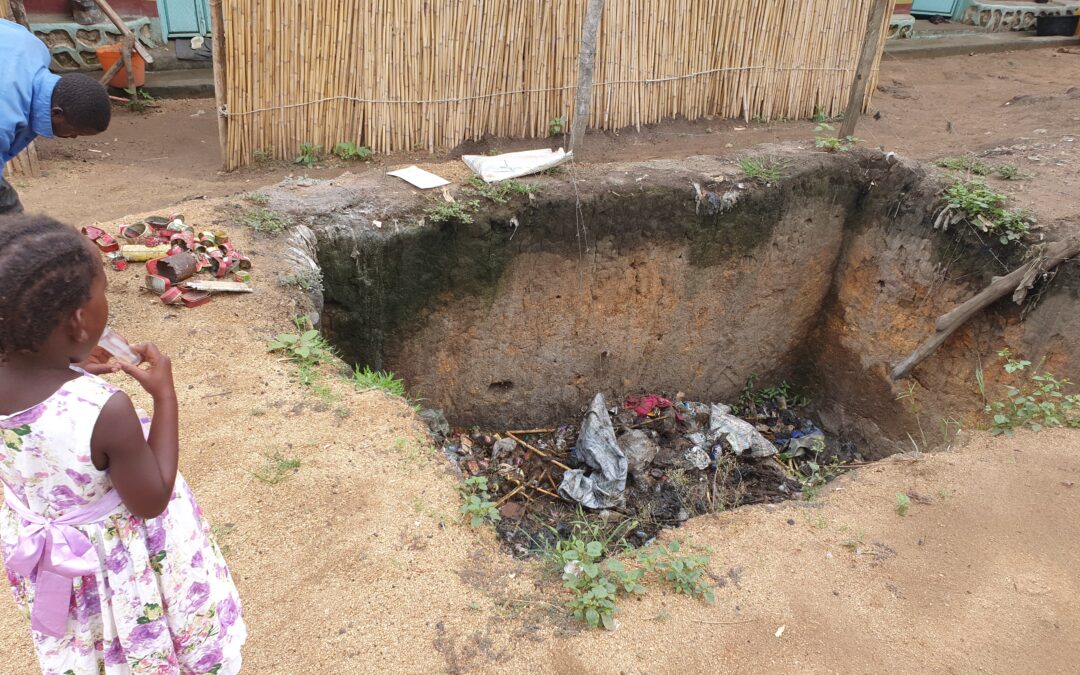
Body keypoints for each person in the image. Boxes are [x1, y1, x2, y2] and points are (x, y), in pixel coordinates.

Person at [0, 215, 246, 673]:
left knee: (94, 649)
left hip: (62, 569)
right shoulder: (104, 410)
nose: (106, 304)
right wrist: (164, 396)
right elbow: (151, 497)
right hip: (118, 564)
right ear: (78, 320)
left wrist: (67, 366)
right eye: (103, 295)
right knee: (143, 644)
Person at [1, 18, 112, 215]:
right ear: (56, 113)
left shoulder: (35, 48)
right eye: (75, 132)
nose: (73, 138)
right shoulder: (6, 118)